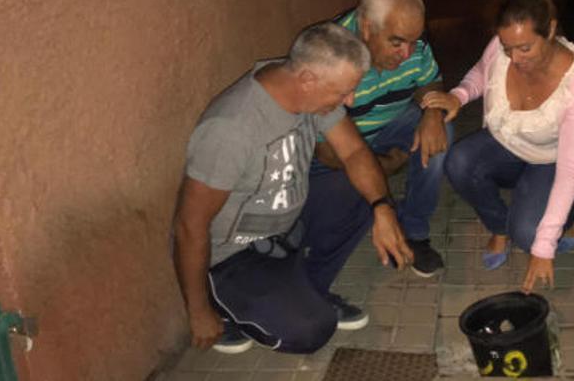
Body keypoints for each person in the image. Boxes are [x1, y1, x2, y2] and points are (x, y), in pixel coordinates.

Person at [172, 22, 413, 355]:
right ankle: (228, 310)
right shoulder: (230, 130)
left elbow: (355, 151)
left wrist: (382, 208)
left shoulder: (305, 90)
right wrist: (197, 311)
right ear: (307, 80)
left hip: (284, 228)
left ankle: (306, 290)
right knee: (311, 330)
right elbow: (189, 226)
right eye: (343, 92)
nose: (350, 99)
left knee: (363, 192)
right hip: (234, 257)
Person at [421, 0, 574, 294]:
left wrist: (543, 248)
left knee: (530, 235)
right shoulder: (501, 47)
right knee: (459, 161)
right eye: (508, 48)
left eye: (525, 48)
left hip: (553, 162)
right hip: (508, 145)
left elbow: (569, 173)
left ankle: (566, 216)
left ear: (550, 32)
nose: (514, 58)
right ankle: (498, 226)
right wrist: (458, 96)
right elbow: (481, 73)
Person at [311, 0, 451, 277]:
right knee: (344, 197)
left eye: (414, 41)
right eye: (397, 42)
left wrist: (432, 111)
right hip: (340, 146)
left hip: (390, 123)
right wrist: (387, 166)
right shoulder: (328, 55)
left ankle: (414, 230)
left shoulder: (413, 45)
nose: (407, 53)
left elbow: (430, 79)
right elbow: (326, 153)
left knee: (440, 134)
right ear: (365, 27)